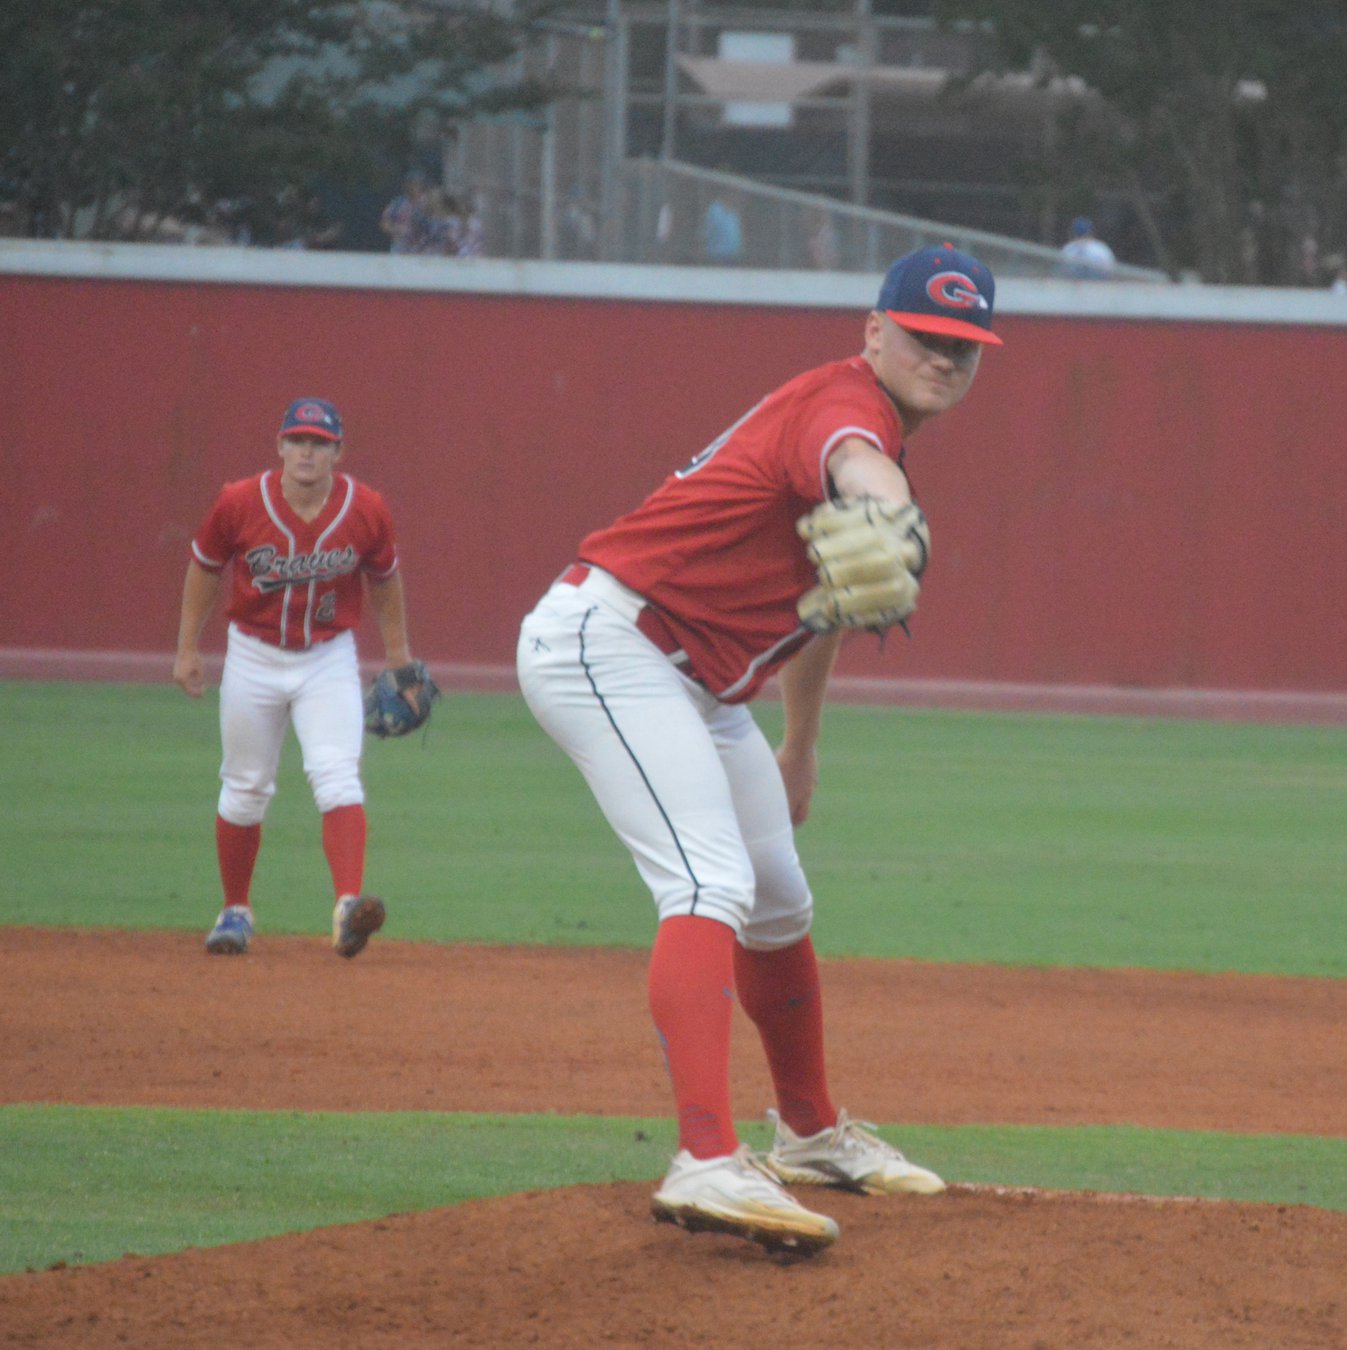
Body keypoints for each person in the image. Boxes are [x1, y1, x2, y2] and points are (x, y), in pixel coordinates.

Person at [516, 244, 1003, 1253]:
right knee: (707, 880)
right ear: (875, 332)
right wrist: (894, 511)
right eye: (925, 337)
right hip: (610, 642)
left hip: (705, 684)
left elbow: (826, 608)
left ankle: (812, 1134)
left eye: (965, 347)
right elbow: (854, 471)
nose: (944, 360)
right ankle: (702, 1157)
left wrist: (800, 744)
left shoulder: (875, 434)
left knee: (778, 897)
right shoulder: (845, 411)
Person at [174, 398, 421, 959]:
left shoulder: (366, 508)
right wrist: (187, 647)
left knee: (338, 778)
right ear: (280, 446)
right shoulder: (239, 501)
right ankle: (235, 909)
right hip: (253, 656)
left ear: (338, 451)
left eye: (320, 442)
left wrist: (399, 656)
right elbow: (205, 566)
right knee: (244, 788)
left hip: (327, 658)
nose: (308, 451)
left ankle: (347, 908)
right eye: (299, 440)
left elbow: (385, 579)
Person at [379, 172, 428, 254]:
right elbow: (384, 223)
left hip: (423, 248)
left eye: (415, 184)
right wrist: (395, 230)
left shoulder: (429, 203)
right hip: (400, 246)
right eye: (409, 184)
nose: (411, 187)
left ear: (422, 185)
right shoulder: (397, 203)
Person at [1059, 216, 1117, 280]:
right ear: (1091, 232)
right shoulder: (1101, 249)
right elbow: (1111, 271)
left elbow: (1063, 271)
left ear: (1073, 233)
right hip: (1099, 286)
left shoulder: (1068, 249)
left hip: (1073, 286)